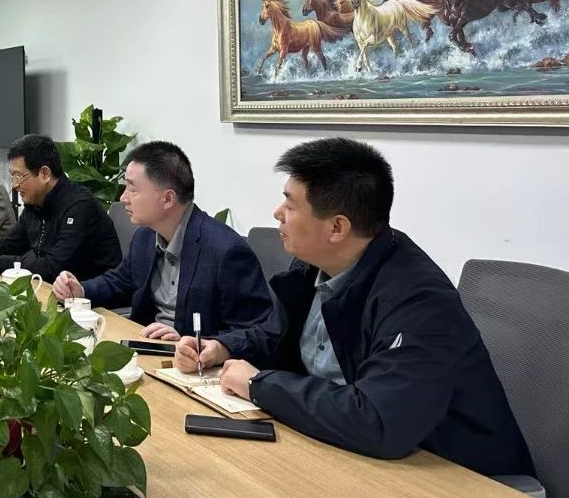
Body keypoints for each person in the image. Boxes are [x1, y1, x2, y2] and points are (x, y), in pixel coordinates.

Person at [175, 138, 534, 476]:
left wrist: (259, 384)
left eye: (290, 205)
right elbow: (275, 336)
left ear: (337, 228)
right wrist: (221, 347)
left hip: (454, 477)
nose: (277, 213)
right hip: (348, 453)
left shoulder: (418, 299)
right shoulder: (314, 265)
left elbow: (379, 419)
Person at [52, 141, 272, 347]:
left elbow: (256, 332)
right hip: (146, 348)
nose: (123, 198)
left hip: (196, 363)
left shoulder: (226, 251)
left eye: (132, 189)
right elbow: (120, 282)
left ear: (168, 199)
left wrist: (193, 342)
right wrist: (81, 290)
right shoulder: (145, 236)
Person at [0, 133, 120, 282]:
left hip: (93, 305)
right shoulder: (35, 203)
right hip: (50, 291)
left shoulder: (80, 207)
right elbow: (9, 246)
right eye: (12, 176)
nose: (14, 185)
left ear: (44, 174)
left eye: (19, 176)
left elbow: (55, 267)